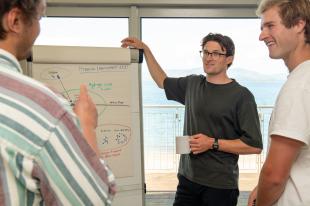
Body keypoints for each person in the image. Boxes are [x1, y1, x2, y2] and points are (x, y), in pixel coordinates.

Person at [122, 33, 263, 206]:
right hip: (187, 180)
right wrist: (146, 50)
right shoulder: (193, 84)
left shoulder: (242, 96)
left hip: (220, 186)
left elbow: (254, 146)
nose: (209, 58)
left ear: (229, 59)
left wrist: (212, 143)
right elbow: (162, 81)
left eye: (216, 53)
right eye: (205, 52)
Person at [0, 0, 116, 205]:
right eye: (39, 17)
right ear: (15, 20)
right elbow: (94, 201)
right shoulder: (43, 109)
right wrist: (86, 125)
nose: (39, 29)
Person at [247, 0, 310, 206]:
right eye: (262, 27)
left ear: (299, 24)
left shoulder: (299, 84)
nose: (262, 35)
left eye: (270, 26)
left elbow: (274, 176)